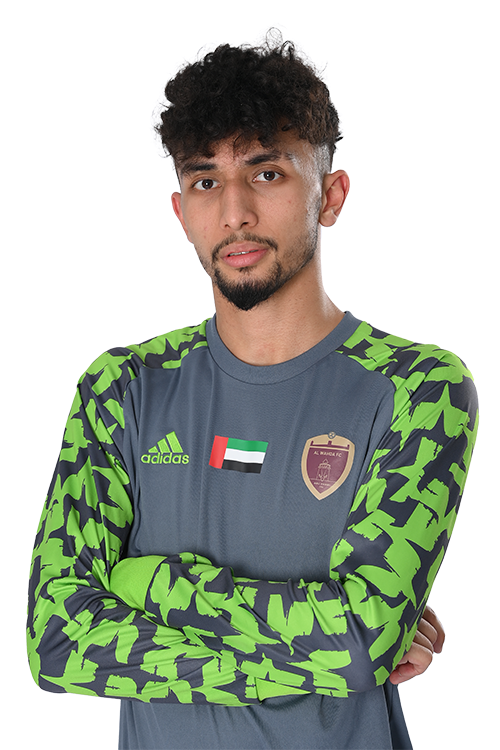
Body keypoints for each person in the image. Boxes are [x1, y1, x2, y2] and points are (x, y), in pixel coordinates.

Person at [27, 22, 478, 750]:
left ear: (329, 196)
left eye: (267, 173)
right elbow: (56, 643)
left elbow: (360, 639)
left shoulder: (419, 388)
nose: (234, 211)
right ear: (181, 210)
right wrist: (326, 653)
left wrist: (147, 584)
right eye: (206, 181)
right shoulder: (123, 387)